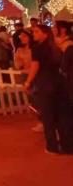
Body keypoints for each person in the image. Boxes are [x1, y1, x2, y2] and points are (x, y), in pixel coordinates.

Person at [24, 24, 73, 154]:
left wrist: (28, 82)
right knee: (63, 115)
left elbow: (35, 66)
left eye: (36, 31)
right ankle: (68, 145)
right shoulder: (57, 48)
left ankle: (52, 147)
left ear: (44, 34)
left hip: (45, 84)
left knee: (48, 116)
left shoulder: (38, 49)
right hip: (59, 83)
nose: (33, 34)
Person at [55, 20, 73, 102]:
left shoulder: (69, 42)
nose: (53, 29)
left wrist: (62, 69)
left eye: (55, 27)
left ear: (63, 29)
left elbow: (66, 59)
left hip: (66, 71)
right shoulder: (55, 40)